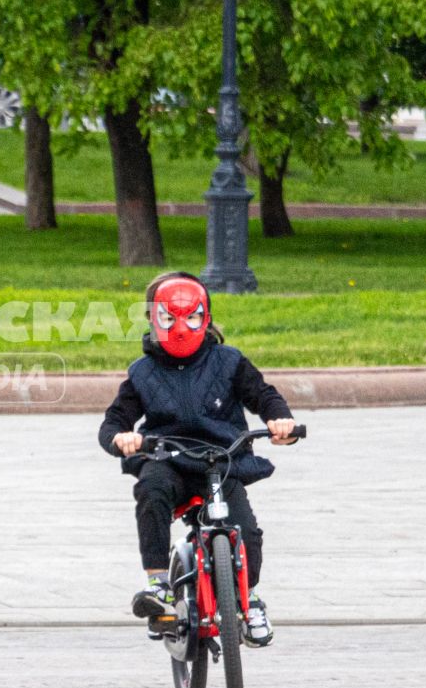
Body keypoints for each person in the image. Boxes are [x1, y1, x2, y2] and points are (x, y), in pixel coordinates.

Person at [99, 272, 297, 645]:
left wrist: (278, 419)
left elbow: (264, 395)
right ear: (152, 319)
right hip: (168, 458)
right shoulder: (142, 373)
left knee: (246, 532)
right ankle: (159, 587)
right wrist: (121, 438)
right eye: (168, 318)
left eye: (190, 317)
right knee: (151, 488)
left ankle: (249, 599)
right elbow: (114, 421)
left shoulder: (229, 361)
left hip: (222, 462)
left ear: (204, 317)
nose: (180, 327)